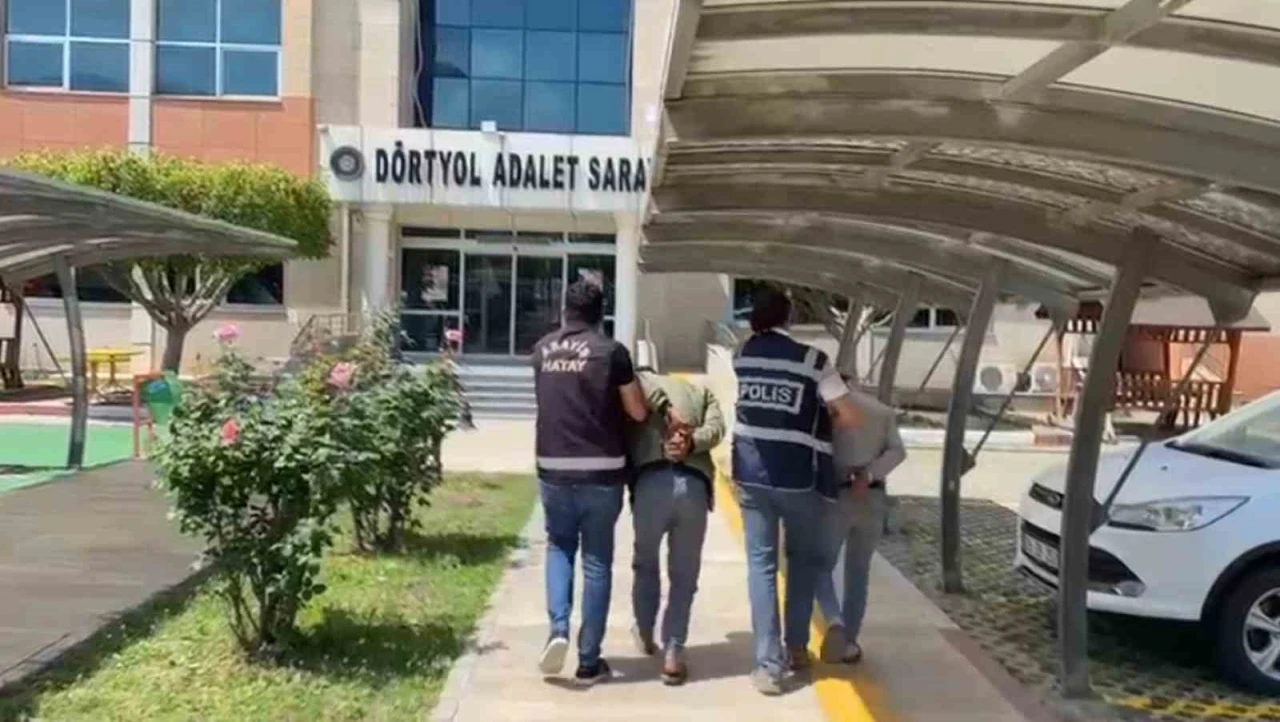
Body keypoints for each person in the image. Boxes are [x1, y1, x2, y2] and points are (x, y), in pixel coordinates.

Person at [531, 280, 668, 686]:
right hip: (602, 470)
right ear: (599, 314)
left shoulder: (541, 351)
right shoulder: (612, 352)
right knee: (596, 561)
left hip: (553, 466)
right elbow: (637, 412)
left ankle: (558, 630)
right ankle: (589, 659)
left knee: (559, 547)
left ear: (565, 311)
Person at [733, 287, 862, 695]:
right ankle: (796, 648)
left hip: (751, 473)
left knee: (761, 566)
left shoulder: (742, 355)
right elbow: (849, 415)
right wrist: (822, 418)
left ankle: (768, 666)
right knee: (802, 562)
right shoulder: (813, 360)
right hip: (799, 478)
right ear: (788, 318)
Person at [628, 367, 725, 686]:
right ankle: (673, 652)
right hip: (694, 488)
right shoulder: (702, 393)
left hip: (651, 483)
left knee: (645, 564)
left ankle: (645, 632)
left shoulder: (641, 383)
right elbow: (717, 429)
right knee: (684, 576)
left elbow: (632, 379)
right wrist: (690, 442)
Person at [816, 384, 906, 665]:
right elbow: (898, 451)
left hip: (837, 497)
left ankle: (833, 620)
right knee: (858, 573)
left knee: (819, 565)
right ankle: (850, 642)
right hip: (872, 498)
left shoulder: (828, 409)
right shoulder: (881, 411)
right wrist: (868, 475)